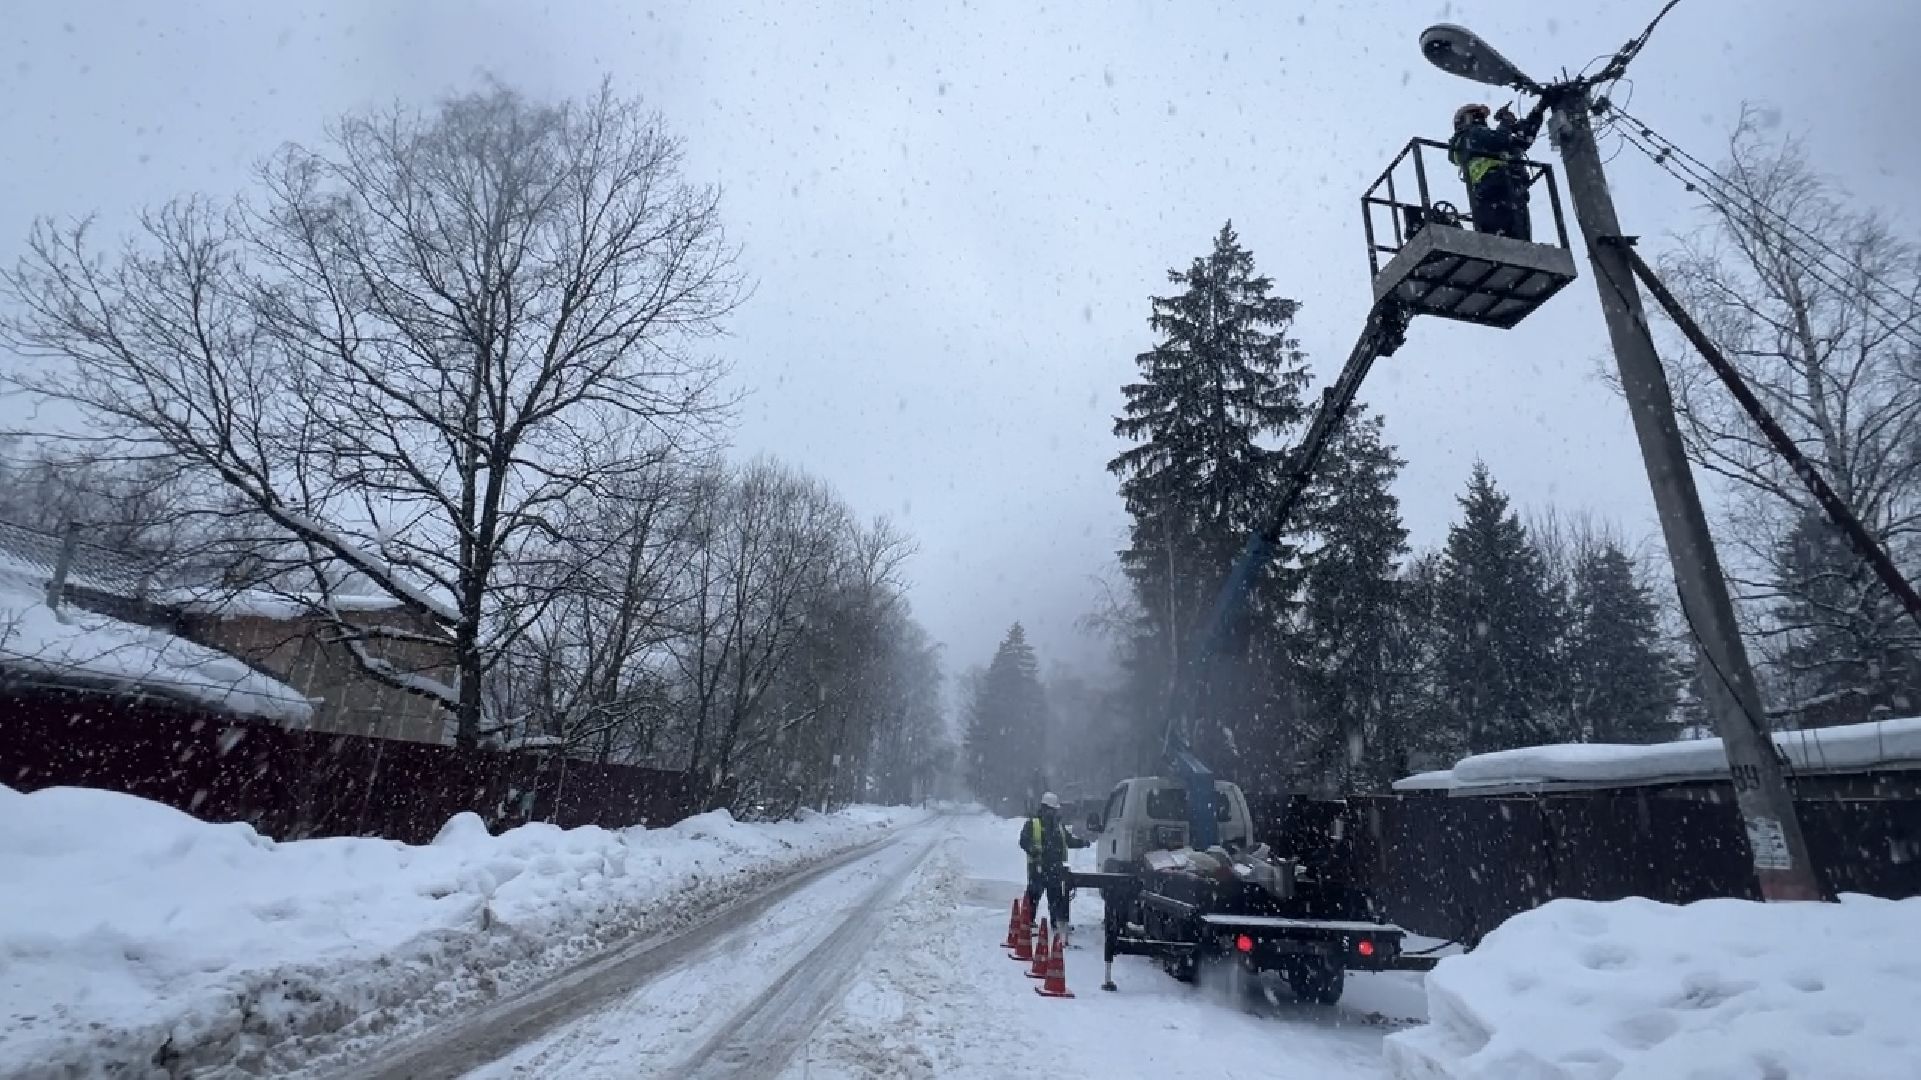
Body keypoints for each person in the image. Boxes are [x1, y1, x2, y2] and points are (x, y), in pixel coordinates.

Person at [1448, 102, 1539, 242]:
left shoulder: (1478, 141)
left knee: (1514, 242)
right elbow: (1500, 140)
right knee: (1517, 241)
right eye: (1476, 116)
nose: (1481, 120)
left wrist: (1537, 112)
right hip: (1494, 188)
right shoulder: (1469, 135)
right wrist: (1506, 123)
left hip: (1503, 192)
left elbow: (1520, 143)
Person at [1018, 792, 1088, 941]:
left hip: (1055, 869)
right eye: (1054, 809)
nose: (1056, 812)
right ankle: (1028, 922)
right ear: (1046, 809)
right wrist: (1033, 849)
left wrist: (1083, 843)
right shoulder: (1033, 824)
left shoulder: (1059, 826)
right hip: (1038, 867)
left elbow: (1068, 841)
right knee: (1033, 895)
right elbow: (1023, 841)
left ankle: (1055, 922)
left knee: (1055, 896)